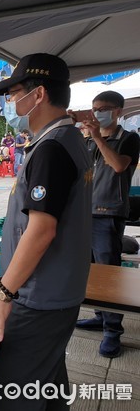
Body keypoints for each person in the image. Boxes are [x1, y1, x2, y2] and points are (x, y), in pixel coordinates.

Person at [0, 53, 92, 410]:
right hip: (58, 291)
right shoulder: (66, 140)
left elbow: (41, 230)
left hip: (38, 297)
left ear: (38, 95)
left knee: (14, 394)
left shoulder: (52, 149)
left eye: (14, 92)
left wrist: (4, 293)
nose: (10, 101)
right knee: (48, 384)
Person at [75, 91, 140, 358]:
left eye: (103, 108)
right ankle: (100, 316)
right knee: (90, 270)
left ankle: (113, 331)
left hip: (108, 213)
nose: (97, 113)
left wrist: (99, 138)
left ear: (118, 111)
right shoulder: (88, 140)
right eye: (94, 108)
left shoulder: (129, 138)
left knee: (109, 274)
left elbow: (118, 166)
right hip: (83, 213)